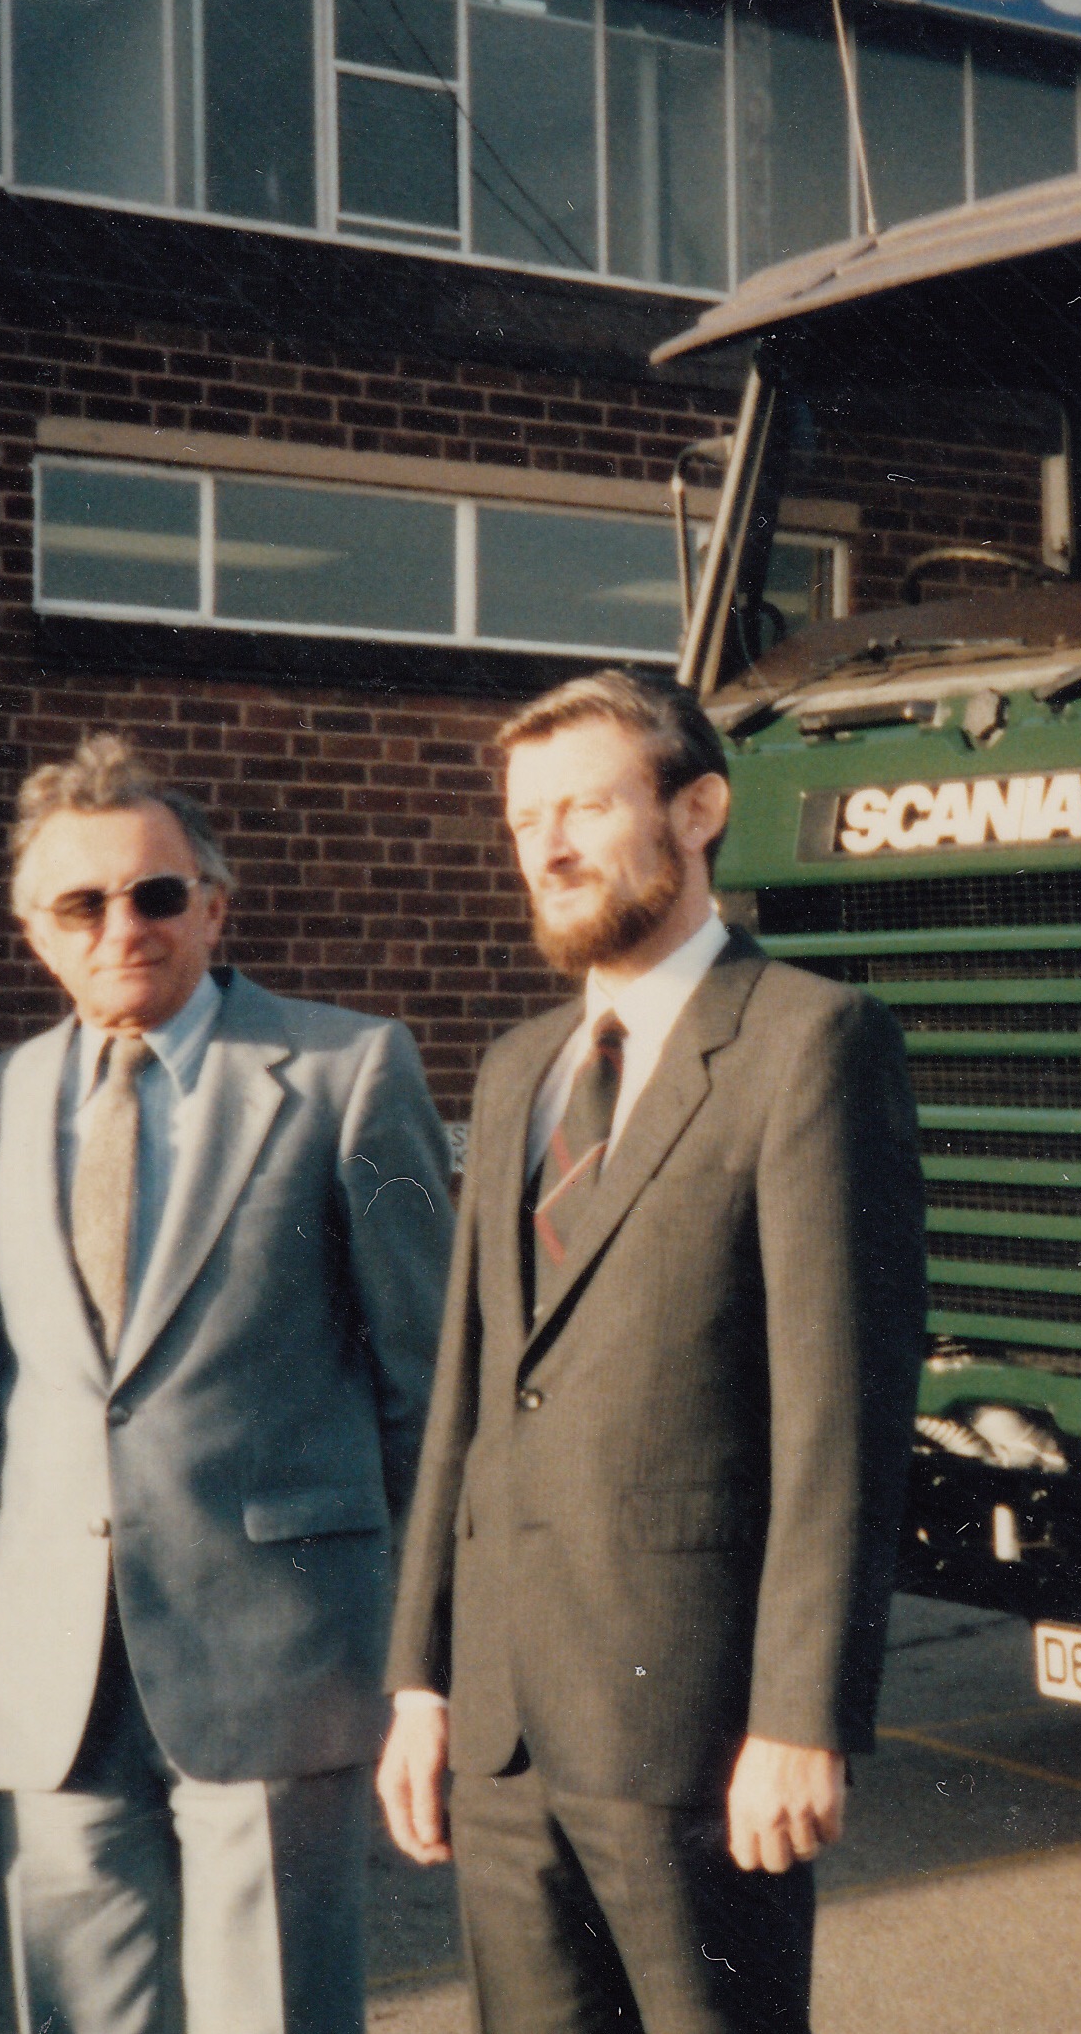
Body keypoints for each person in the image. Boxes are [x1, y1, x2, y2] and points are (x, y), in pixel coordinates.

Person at [377, 670, 926, 2034]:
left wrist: (800, 1715)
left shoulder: (809, 1042)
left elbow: (839, 1418)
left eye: (583, 808)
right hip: (504, 1734)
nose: (547, 847)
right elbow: (469, 1398)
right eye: (524, 821)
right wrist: (423, 1678)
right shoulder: (519, 1067)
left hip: (693, 1733)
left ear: (698, 811)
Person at [0, 735, 450, 2034]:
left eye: (158, 893)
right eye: (81, 902)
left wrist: (428, 1654)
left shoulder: (349, 1071)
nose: (124, 926)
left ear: (215, 908)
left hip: (280, 1654)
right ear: (32, 930)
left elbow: (428, 1383)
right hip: (57, 1663)